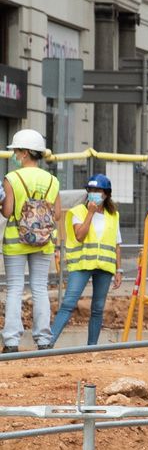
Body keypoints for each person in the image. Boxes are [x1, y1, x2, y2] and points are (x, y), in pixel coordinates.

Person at [2, 130, 62, 353]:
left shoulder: (12, 178)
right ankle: (44, 339)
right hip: (44, 242)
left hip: (15, 241)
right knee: (39, 288)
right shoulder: (52, 180)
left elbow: (7, 212)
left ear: (25, 153)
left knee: (15, 288)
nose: (15, 155)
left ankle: (10, 342)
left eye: (17, 151)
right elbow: (56, 214)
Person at [48, 174, 122, 348]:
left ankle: (91, 348)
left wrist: (119, 270)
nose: (94, 193)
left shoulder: (113, 215)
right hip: (82, 265)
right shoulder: (78, 212)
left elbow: (117, 243)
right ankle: (47, 344)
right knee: (68, 304)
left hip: (104, 266)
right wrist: (90, 213)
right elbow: (80, 236)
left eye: (98, 190)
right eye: (91, 190)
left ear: (106, 193)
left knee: (97, 309)